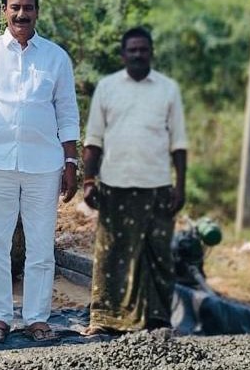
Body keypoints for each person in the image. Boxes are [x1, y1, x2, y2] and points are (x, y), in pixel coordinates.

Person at [0, 0, 79, 343]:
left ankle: (37, 318)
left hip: (44, 165)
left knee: (41, 246)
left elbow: (67, 112)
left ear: (37, 11)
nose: (21, 14)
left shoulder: (56, 57)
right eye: (14, 7)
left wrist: (71, 160)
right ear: (5, 11)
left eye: (28, 8)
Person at [80, 26, 187, 335]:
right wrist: (89, 180)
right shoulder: (108, 88)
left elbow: (178, 143)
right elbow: (94, 140)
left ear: (151, 52)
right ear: (123, 55)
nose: (139, 55)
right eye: (133, 50)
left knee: (157, 256)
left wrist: (180, 186)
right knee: (111, 255)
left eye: (144, 49)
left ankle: (157, 321)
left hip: (157, 187)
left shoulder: (167, 90)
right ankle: (105, 319)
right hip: (115, 187)